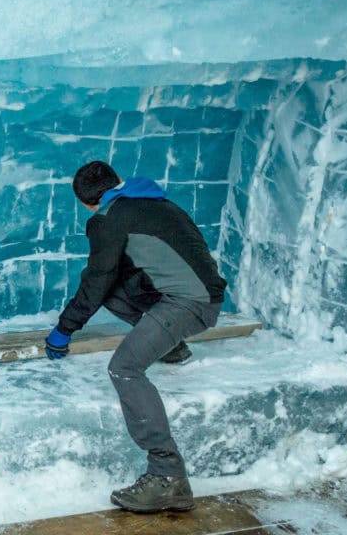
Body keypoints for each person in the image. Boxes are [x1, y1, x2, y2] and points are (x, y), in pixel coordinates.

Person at [43, 160, 226, 513]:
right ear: (118, 181)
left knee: (124, 368)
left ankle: (167, 476)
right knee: (111, 285)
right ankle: (172, 347)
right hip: (203, 294)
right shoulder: (155, 201)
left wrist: (64, 329)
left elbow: (96, 280)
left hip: (189, 304)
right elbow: (110, 278)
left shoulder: (108, 219)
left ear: (85, 202)